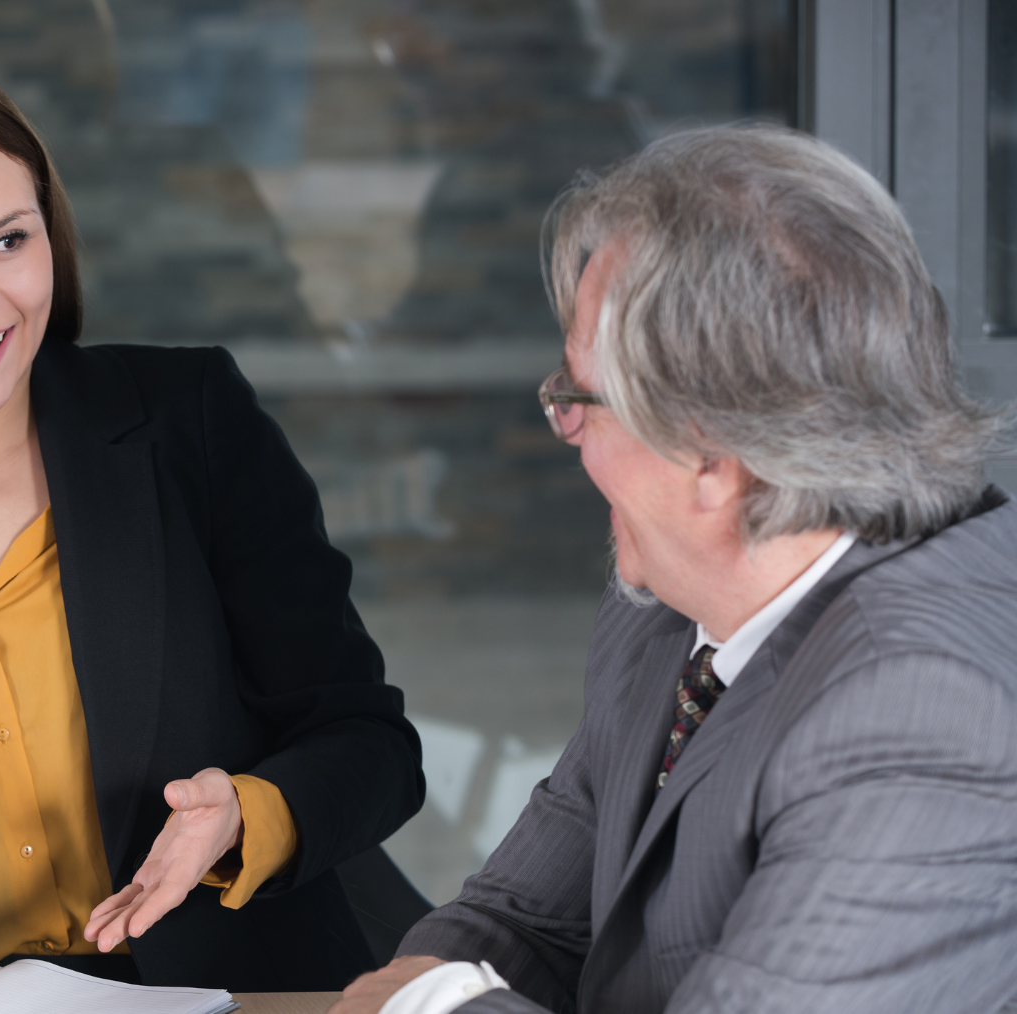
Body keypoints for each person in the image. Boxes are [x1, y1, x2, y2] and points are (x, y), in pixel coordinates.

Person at [0, 37, 424, 993]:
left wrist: (247, 812)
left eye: (7, 240)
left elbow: (372, 746)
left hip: (243, 990)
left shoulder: (193, 423)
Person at [333, 124, 1017, 1014]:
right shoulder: (666, 612)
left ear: (714, 456)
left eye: (579, 399)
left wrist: (423, 1007)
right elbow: (524, 924)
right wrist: (424, 988)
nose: (564, 428)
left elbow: (445, 991)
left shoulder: (926, 710)